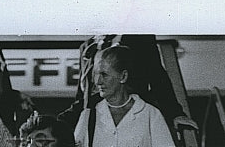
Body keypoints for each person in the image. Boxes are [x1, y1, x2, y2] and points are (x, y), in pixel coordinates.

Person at [59, 34, 197, 137]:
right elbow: (83, 92)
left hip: (126, 115)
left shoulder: (138, 39)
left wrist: (175, 114)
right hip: (94, 119)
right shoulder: (87, 46)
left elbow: (158, 78)